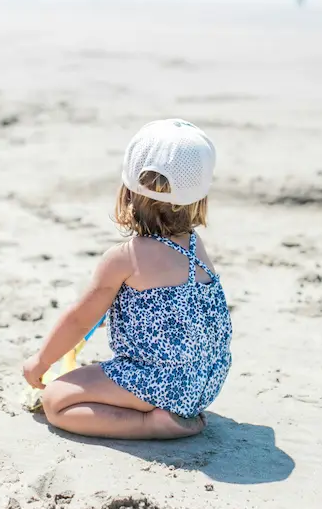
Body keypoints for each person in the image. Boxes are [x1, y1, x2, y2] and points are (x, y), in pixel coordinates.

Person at [23, 119, 233, 439]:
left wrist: (41, 360)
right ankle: (168, 411)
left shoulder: (125, 258)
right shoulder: (194, 246)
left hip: (161, 382)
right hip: (206, 382)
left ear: (127, 191)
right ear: (199, 199)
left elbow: (80, 319)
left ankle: (153, 423)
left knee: (56, 401)